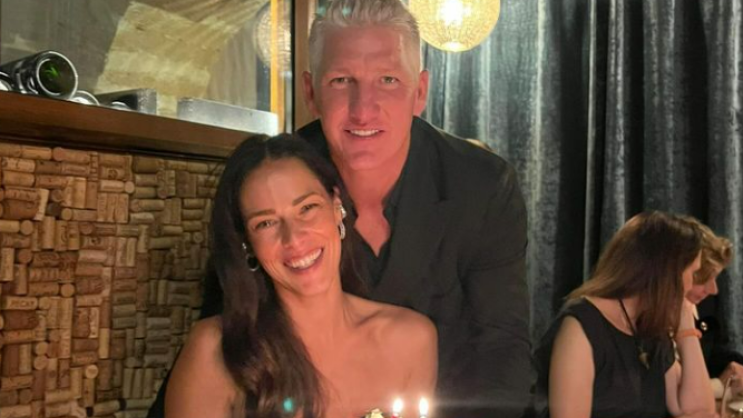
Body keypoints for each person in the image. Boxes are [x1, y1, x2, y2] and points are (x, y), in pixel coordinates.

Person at [151, 1, 531, 417]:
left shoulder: (481, 186)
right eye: (341, 80)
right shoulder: (276, 178)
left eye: (388, 79)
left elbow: (502, 350)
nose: (363, 109)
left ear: (420, 91)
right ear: (311, 92)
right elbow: (230, 329)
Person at [165, 134, 437, 418]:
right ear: (246, 242)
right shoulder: (214, 351)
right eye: (266, 223)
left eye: (307, 208)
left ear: (336, 207)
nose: (293, 239)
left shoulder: (411, 341)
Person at [533, 211, 717, 418]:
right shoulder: (582, 325)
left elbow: (700, 411)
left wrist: (685, 322)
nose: (691, 285)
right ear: (667, 273)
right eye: (692, 273)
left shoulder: (649, 326)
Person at [682, 217, 743, 397]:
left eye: (714, 278)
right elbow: (664, 391)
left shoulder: (705, 304)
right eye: (703, 279)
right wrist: (718, 386)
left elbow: (713, 354)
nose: (713, 290)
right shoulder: (647, 318)